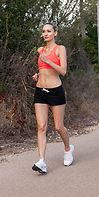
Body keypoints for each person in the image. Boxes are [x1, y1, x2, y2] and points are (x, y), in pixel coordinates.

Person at [32, 22, 74, 174]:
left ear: (55, 33)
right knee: (41, 127)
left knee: (58, 127)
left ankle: (68, 149)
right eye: (43, 31)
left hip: (56, 90)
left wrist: (48, 61)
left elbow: (63, 71)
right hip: (40, 91)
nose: (46, 34)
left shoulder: (60, 49)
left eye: (49, 31)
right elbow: (42, 68)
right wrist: (38, 75)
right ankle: (42, 161)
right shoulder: (40, 50)